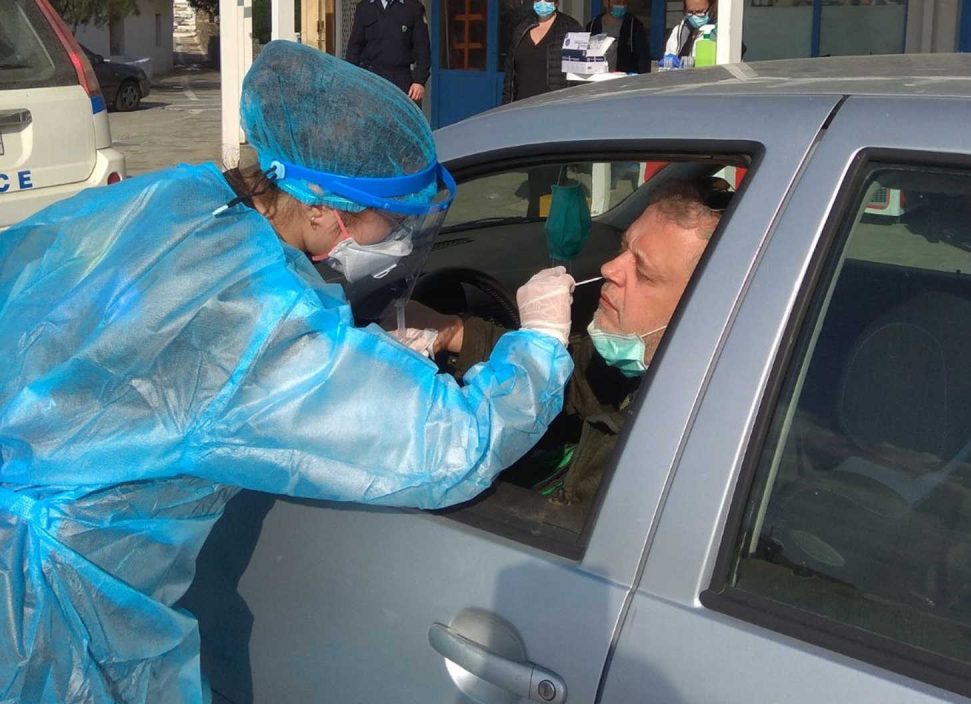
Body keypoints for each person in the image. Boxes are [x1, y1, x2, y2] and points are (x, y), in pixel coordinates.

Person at [0, 41, 575, 703]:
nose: (397, 241)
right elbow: (453, 447)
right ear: (322, 208)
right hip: (57, 619)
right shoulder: (266, 325)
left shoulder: (181, 199)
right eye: (391, 222)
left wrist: (351, 346)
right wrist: (539, 343)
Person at [402, 180, 722, 506]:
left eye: (643, 270)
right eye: (624, 248)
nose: (609, 268)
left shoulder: (685, 446)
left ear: (700, 310)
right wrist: (451, 330)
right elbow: (577, 378)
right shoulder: (645, 370)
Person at [346, 0, 431, 103]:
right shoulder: (365, 7)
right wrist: (351, 79)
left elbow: (423, 49)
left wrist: (420, 81)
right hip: (371, 78)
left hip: (401, 80)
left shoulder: (413, 7)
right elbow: (354, 47)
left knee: (401, 118)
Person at [502, 0, 582, 104]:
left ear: (557, 3)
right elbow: (510, 75)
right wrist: (506, 104)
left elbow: (579, 73)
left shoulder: (570, 27)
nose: (542, 2)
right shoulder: (522, 27)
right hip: (520, 106)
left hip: (553, 107)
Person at [585, 0, 651, 75]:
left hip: (623, 79)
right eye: (617, 2)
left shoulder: (634, 25)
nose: (621, 6)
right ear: (606, 3)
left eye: (624, 3)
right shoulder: (593, 26)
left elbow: (643, 57)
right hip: (596, 77)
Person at [663, 0, 716, 64]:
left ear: (712, 8)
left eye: (700, 12)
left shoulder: (717, 33)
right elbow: (670, 53)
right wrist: (668, 61)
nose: (694, 16)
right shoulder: (678, 31)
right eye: (690, 12)